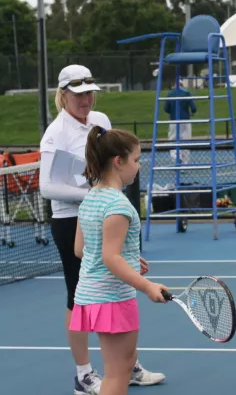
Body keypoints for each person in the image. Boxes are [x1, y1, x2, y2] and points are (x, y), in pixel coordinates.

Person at [39, 65, 165, 395]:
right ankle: (84, 374)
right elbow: (47, 187)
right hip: (73, 217)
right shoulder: (55, 134)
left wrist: (101, 196)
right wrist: (96, 195)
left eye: (89, 93)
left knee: (108, 287)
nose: (86, 100)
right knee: (78, 294)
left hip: (101, 211)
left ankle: (126, 364)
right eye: (78, 94)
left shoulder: (101, 121)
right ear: (63, 95)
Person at [71, 126, 171, 395]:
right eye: (136, 159)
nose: (138, 166)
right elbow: (110, 257)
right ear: (118, 162)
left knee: (122, 365)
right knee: (118, 372)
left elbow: (81, 249)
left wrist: (128, 257)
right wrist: (148, 286)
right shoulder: (119, 205)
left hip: (90, 296)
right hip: (111, 298)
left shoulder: (90, 198)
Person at [164, 80, 197, 164]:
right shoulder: (187, 93)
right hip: (185, 120)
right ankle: (185, 160)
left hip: (174, 120)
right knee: (186, 139)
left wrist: (172, 111)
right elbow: (194, 108)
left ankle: (176, 157)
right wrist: (191, 112)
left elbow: (166, 108)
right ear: (182, 85)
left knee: (173, 139)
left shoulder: (170, 94)